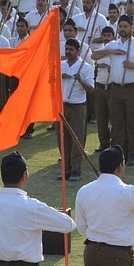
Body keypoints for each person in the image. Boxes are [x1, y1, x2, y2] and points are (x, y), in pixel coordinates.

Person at [76, 145, 134, 266]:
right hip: (117, 256)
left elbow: (81, 228)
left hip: (91, 254)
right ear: (120, 167)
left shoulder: (84, 191)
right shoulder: (128, 192)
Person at [91, 15, 134, 166]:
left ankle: (133, 152)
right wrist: (109, 51)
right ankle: (120, 150)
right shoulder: (112, 44)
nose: (123, 29)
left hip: (133, 87)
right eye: (120, 26)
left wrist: (133, 66)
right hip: (116, 88)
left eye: (126, 26)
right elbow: (94, 55)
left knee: (133, 121)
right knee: (117, 121)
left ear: (132, 27)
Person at [58, 39, 95, 182]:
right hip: (62, 106)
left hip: (77, 107)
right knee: (63, 140)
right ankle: (66, 169)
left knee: (77, 139)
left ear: (78, 51)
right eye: (66, 49)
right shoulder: (60, 65)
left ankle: (76, 170)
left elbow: (91, 90)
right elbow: (50, 80)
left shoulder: (86, 67)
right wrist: (60, 76)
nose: (68, 52)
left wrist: (80, 80)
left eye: (71, 49)